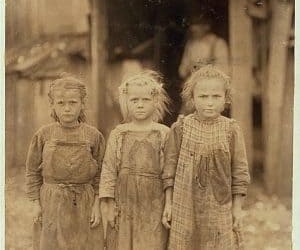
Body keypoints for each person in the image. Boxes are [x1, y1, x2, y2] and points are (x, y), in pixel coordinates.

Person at [164, 66, 250, 250]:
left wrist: (237, 208)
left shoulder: (231, 130)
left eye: (216, 96)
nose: (209, 103)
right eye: (203, 96)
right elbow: (169, 169)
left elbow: (240, 172)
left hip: (219, 205)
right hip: (184, 203)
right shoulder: (181, 128)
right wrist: (169, 203)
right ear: (192, 98)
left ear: (226, 99)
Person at [26, 75, 105, 250]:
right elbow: (32, 172)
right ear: (52, 104)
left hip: (85, 202)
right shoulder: (43, 135)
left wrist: (97, 205)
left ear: (82, 104)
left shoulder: (94, 136)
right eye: (61, 103)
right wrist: (35, 205)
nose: (67, 108)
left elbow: (100, 175)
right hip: (52, 202)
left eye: (73, 102)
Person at [99, 70, 171, 250]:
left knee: (152, 242)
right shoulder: (118, 133)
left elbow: (170, 171)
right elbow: (108, 169)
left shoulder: (164, 133)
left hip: (154, 201)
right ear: (126, 102)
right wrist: (108, 202)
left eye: (145, 100)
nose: (140, 105)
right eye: (134, 100)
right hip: (124, 201)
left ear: (155, 102)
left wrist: (169, 203)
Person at [179, 14, 230, 80]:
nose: (193, 28)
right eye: (192, 24)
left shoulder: (218, 43)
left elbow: (225, 71)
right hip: (193, 86)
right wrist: (190, 68)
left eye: (197, 24)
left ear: (207, 26)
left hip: (211, 85)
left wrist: (204, 68)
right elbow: (182, 71)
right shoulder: (190, 44)